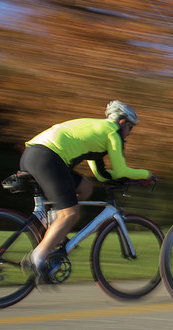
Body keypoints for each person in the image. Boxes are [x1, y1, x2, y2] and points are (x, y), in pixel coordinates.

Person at [20, 100, 156, 282]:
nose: (129, 134)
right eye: (130, 128)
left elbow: (100, 174)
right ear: (122, 122)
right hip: (49, 158)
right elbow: (122, 169)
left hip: (33, 153)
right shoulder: (112, 132)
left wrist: (118, 179)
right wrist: (147, 174)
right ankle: (38, 258)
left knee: (85, 188)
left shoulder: (98, 130)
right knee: (70, 214)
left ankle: (54, 235)